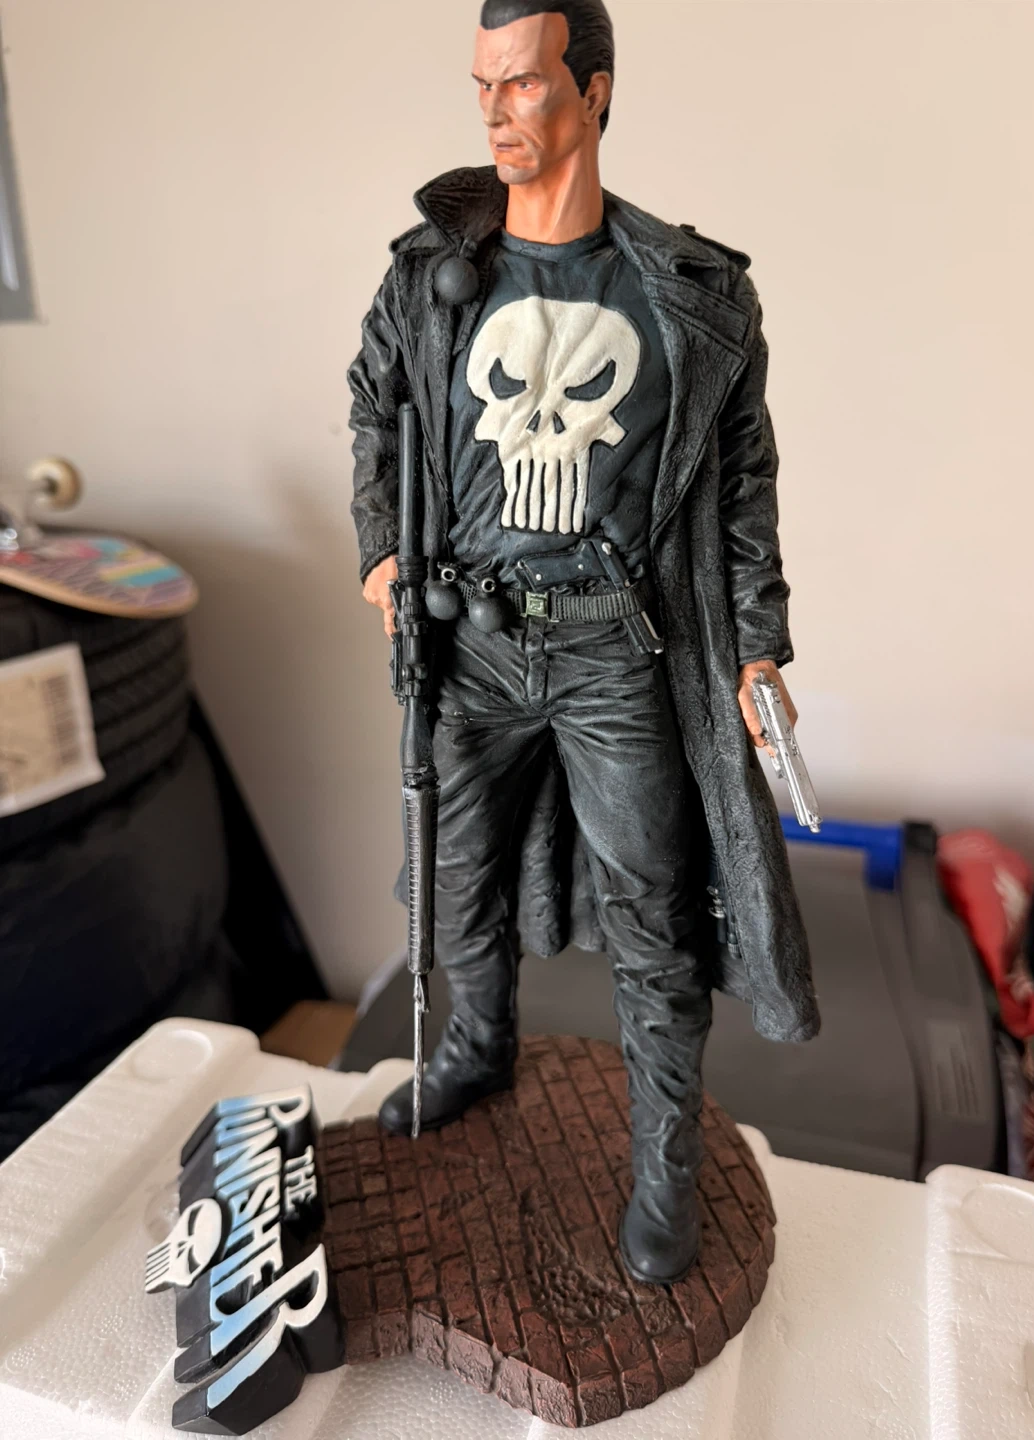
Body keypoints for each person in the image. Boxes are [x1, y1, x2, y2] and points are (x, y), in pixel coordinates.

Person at [348, 0, 820, 1287]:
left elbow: (743, 482)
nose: (496, 113)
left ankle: (667, 1157)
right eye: (482, 87)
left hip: (620, 652)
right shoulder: (428, 275)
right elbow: (375, 406)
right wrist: (383, 554)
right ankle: (474, 1049)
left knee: (653, 909)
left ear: (595, 91)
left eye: (524, 84)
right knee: (452, 879)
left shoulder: (691, 295)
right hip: (470, 648)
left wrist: (758, 643)